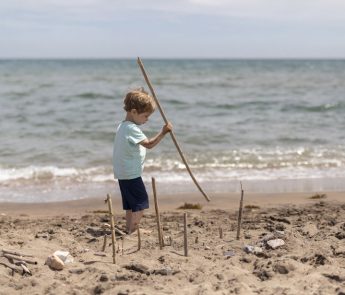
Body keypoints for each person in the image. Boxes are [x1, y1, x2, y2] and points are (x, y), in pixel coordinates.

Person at [113, 89, 173, 234]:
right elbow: (149, 144)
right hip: (131, 173)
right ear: (133, 112)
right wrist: (164, 132)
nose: (147, 119)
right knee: (140, 203)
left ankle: (129, 228)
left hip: (123, 173)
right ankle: (133, 229)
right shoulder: (132, 128)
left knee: (130, 205)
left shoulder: (122, 126)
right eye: (145, 116)